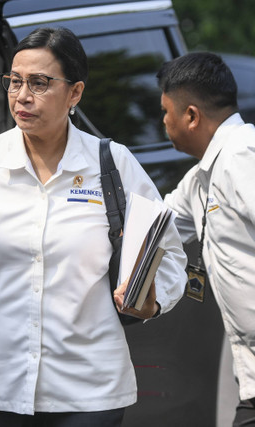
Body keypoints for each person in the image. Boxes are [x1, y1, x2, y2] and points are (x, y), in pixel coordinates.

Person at [0, 26, 188, 427]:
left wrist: (153, 302)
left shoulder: (112, 164)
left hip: (90, 388)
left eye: (39, 83)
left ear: (75, 93)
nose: (22, 96)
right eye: (14, 82)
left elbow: (169, 254)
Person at [158, 52, 255, 427]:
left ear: (192, 116)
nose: (163, 121)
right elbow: (158, 226)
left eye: (166, 111)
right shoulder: (202, 176)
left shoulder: (242, 156)